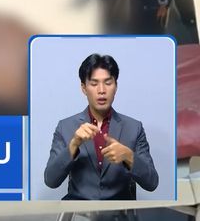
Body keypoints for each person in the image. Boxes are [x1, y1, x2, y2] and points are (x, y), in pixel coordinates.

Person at [43, 54, 159, 200]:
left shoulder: (134, 128)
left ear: (116, 86)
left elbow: (152, 183)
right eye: (94, 84)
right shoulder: (65, 127)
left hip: (120, 210)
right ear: (84, 88)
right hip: (79, 210)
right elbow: (51, 180)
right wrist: (73, 145)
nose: (102, 90)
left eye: (108, 83)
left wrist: (128, 156)